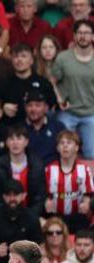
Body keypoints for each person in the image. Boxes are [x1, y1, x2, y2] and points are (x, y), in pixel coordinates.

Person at [51, 20, 94, 160]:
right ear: (74, 36)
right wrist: (58, 98)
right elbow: (52, 81)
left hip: (91, 113)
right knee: (63, 154)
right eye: (80, 33)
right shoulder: (63, 58)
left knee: (91, 155)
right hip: (68, 113)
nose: (83, 36)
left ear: (93, 36)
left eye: (87, 33)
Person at [0, 126, 47, 218]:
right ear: (7, 143)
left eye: (19, 138)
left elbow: (39, 197)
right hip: (4, 217)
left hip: (31, 216)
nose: (15, 143)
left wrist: (31, 217)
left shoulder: (37, 165)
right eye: (11, 139)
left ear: (26, 142)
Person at [44, 130, 93, 234]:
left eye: (69, 143)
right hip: (56, 218)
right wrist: (47, 202)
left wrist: (86, 203)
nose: (65, 146)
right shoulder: (50, 169)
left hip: (78, 217)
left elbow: (88, 194)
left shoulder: (84, 169)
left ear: (76, 147)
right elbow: (45, 194)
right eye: (62, 143)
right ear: (57, 148)